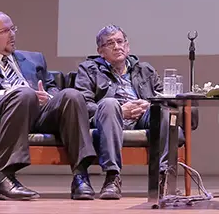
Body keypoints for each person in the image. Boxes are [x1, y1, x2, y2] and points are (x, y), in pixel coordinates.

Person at [0, 11, 96, 200]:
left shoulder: (34, 58)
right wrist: (5, 94)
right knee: (23, 93)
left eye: (13, 29)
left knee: (72, 95)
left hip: (39, 113)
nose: (12, 35)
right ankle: (4, 178)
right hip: (1, 116)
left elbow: (52, 86)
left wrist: (49, 96)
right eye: (4, 31)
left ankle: (80, 176)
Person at [75, 24, 175, 200]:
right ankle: (112, 178)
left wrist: (149, 105)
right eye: (110, 43)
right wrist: (120, 111)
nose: (117, 46)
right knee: (109, 103)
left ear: (127, 46)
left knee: (161, 110)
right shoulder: (89, 69)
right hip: (109, 118)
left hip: (141, 117)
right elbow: (83, 104)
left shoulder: (145, 69)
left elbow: (161, 95)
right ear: (100, 51)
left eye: (120, 41)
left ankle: (164, 176)